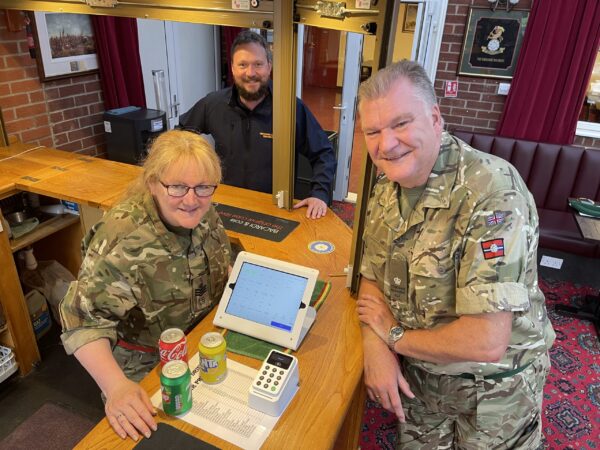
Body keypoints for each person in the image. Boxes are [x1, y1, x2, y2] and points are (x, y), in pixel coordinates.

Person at [355, 60, 555, 448]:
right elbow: (372, 276)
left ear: (434, 118)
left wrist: (393, 338)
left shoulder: (492, 192)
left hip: (493, 391)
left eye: (400, 124)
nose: (386, 144)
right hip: (422, 383)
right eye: (373, 131)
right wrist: (373, 344)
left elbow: (485, 340)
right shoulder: (386, 185)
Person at [60, 130, 231, 442]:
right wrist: (115, 387)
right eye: (177, 186)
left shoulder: (204, 212)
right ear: (153, 183)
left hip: (201, 344)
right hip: (145, 366)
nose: (192, 199)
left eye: (204, 187)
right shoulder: (124, 238)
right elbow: (80, 320)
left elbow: (217, 263)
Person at [179, 30, 337, 219]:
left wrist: (319, 194)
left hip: (275, 209)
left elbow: (324, 153)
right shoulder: (213, 104)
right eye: (243, 65)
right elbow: (179, 138)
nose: (250, 73)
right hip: (225, 205)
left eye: (258, 64)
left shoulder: (290, 107)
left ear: (269, 67)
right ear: (232, 68)